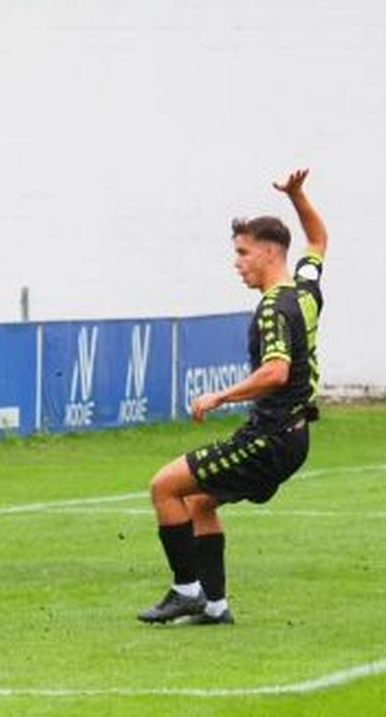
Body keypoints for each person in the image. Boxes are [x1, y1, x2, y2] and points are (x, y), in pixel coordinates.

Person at [138, 168, 328, 626]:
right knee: (200, 501)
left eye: (243, 253)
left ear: (268, 253)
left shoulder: (272, 308)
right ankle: (215, 607)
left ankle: (186, 591)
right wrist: (299, 196)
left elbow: (276, 371)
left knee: (164, 486)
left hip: (271, 435)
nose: (237, 262)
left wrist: (220, 397)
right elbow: (318, 241)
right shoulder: (303, 291)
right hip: (293, 436)